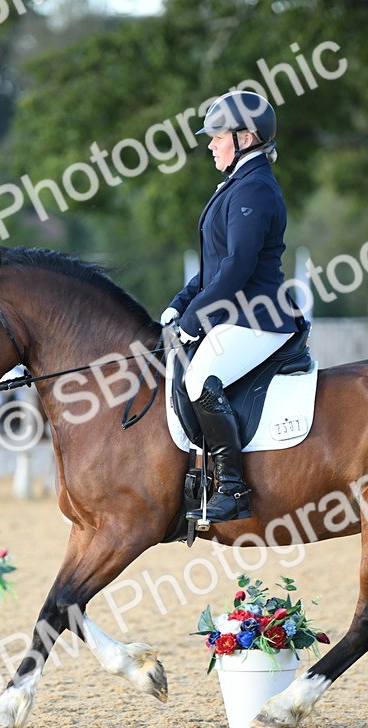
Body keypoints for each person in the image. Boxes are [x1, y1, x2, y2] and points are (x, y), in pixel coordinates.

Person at [160, 90, 301, 523]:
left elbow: (237, 268)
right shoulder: (238, 185)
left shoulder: (254, 189)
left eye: (217, 136)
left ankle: (233, 489)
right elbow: (213, 268)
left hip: (260, 317)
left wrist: (193, 320)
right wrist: (179, 306)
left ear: (246, 137)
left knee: (202, 377)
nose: (210, 144)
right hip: (237, 315)